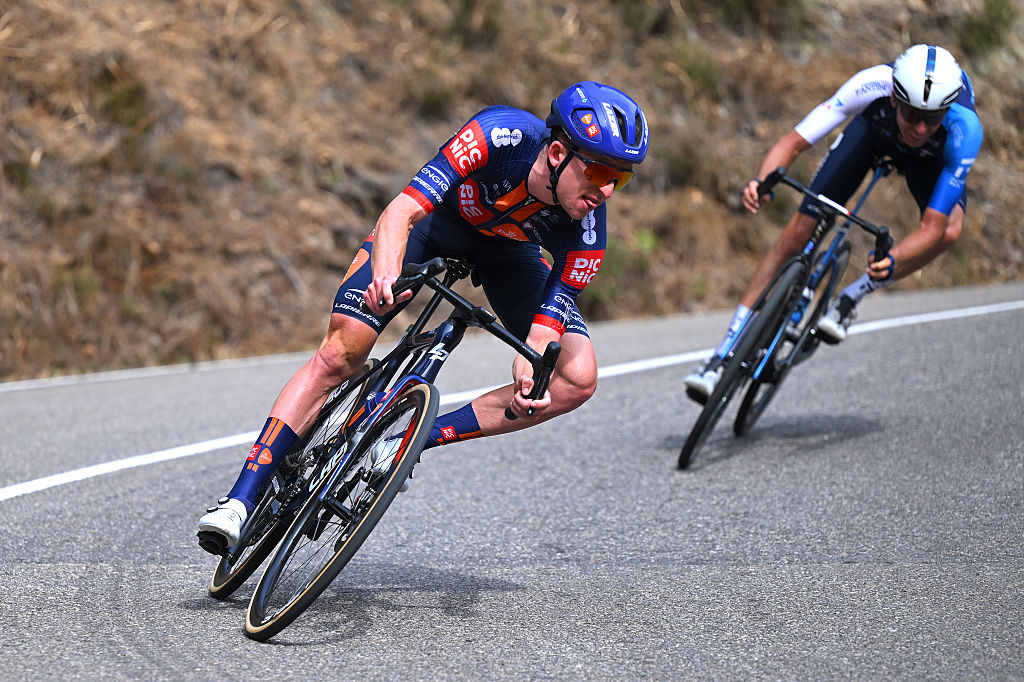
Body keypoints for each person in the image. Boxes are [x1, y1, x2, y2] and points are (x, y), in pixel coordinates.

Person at [198, 81, 649, 552]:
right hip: (435, 229)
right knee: (341, 353)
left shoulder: (587, 230)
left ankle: (405, 442)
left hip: (509, 258)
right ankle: (239, 501)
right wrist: (386, 274)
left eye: (623, 179)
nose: (608, 190)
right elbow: (403, 212)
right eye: (599, 172)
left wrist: (530, 362)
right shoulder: (499, 136)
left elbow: (548, 322)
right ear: (557, 152)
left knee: (576, 378)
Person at [684, 44, 984, 403]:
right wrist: (761, 182)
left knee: (951, 229)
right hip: (872, 136)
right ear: (894, 99)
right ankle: (722, 353)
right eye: (911, 114)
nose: (920, 127)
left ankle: (849, 299)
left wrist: (895, 260)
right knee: (798, 231)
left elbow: (933, 227)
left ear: (947, 110)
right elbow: (793, 142)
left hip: (931, 162)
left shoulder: (964, 129)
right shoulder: (874, 84)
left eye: (932, 119)